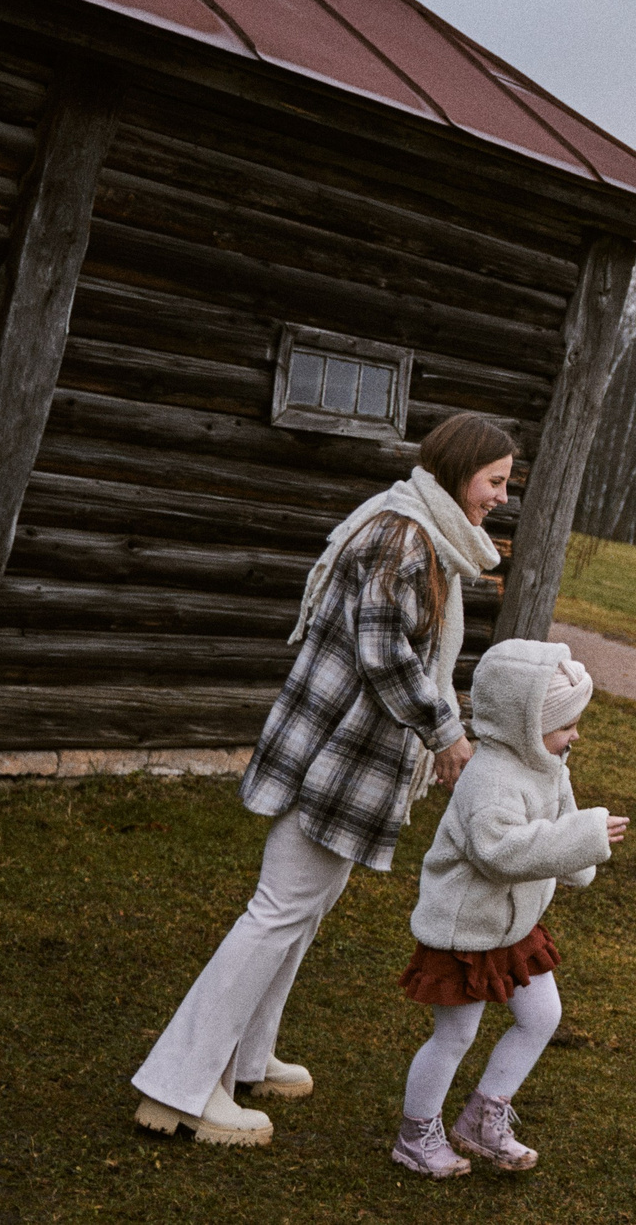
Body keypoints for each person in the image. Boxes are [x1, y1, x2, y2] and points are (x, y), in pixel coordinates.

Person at [131, 413, 516, 1147]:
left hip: (353, 762)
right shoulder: (402, 536)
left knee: (299, 910)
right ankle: (180, 1086)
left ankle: (247, 1057)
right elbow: (384, 650)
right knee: (277, 910)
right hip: (334, 758)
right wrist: (446, 732)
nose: (500, 495)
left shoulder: (423, 535)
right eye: (494, 480)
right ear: (460, 468)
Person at [390, 639, 626, 1178]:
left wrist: (582, 848)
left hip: (513, 926)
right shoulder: (491, 778)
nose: (575, 734)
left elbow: (562, 838)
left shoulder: (549, 766)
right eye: (566, 724)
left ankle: (483, 1115)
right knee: (454, 1035)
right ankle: (416, 1133)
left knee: (543, 1016)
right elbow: (500, 853)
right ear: (524, 724)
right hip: (465, 930)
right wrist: (583, 834)